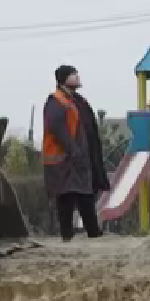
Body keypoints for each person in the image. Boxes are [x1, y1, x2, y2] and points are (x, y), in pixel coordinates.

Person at [42, 64, 110, 240]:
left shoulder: (76, 100)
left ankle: (92, 232)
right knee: (67, 197)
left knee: (84, 194)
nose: (77, 77)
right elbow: (57, 129)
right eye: (73, 74)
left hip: (76, 158)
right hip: (63, 160)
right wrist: (73, 150)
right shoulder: (56, 101)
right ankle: (68, 235)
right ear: (64, 79)